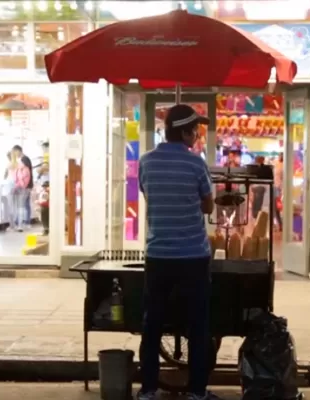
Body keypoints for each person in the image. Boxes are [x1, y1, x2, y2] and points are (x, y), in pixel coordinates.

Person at [137, 104, 216, 400]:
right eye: (195, 129)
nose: (197, 135)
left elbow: (148, 195)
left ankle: (148, 389)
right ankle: (196, 392)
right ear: (184, 132)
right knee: (198, 325)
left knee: (152, 323)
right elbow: (208, 206)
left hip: (158, 256)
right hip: (193, 257)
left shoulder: (146, 162)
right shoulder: (196, 163)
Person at [12, 145, 33, 227]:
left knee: (22, 204)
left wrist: (21, 184)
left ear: (19, 151)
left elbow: (26, 174)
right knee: (25, 204)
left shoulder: (24, 159)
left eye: (15, 152)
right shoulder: (24, 159)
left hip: (25, 185)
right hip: (26, 185)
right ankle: (26, 222)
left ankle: (20, 222)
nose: (15, 154)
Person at [11, 157, 31, 232]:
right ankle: (17, 224)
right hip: (17, 188)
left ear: (24, 163)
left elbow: (21, 179)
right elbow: (15, 178)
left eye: (21, 162)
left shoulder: (26, 169)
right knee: (17, 207)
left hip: (23, 189)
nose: (19, 163)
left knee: (21, 207)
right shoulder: (18, 169)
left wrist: (18, 171)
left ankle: (20, 225)